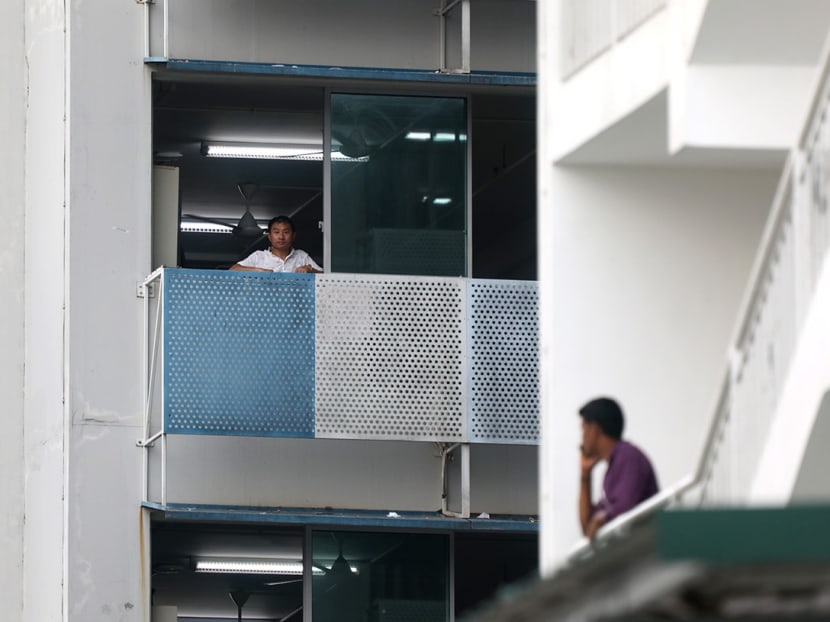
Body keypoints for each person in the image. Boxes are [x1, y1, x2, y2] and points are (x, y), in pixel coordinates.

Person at [578, 397, 658, 540]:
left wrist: (603, 517)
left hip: (647, 551)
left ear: (595, 430)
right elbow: (587, 526)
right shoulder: (614, 466)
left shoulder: (628, 456)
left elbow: (624, 506)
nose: (582, 438)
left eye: (583, 429)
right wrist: (585, 473)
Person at [229, 215, 322, 274]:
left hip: (296, 304)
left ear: (293, 236)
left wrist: (310, 270)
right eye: (276, 232)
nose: (281, 237)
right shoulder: (259, 256)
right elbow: (233, 270)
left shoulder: (301, 256)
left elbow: (325, 277)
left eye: (286, 232)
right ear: (269, 236)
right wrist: (258, 271)